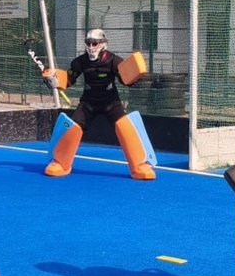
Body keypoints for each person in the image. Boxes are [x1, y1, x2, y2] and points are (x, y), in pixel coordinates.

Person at [41, 28, 156, 180]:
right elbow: (69, 79)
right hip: (88, 102)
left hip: (110, 102)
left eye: (94, 43)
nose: (91, 47)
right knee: (73, 127)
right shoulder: (80, 62)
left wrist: (135, 76)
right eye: (88, 43)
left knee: (125, 126)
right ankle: (61, 163)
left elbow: (125, 81)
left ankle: (140, 165)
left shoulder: (114, 61)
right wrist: (54, 80)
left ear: (103, 44)